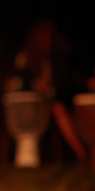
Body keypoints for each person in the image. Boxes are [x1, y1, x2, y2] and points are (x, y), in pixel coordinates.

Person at [8, 19, 86, 161]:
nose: (48, 39)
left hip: (53, 102)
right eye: (44, 35)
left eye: (51, 35)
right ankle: (82, 154)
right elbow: (19, 85)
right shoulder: (26, 58)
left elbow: (66, 84)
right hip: (31, 105)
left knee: (67, 109)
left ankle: (85, 151)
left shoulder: (57, 58)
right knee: (58, 109)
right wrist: (38, 88)